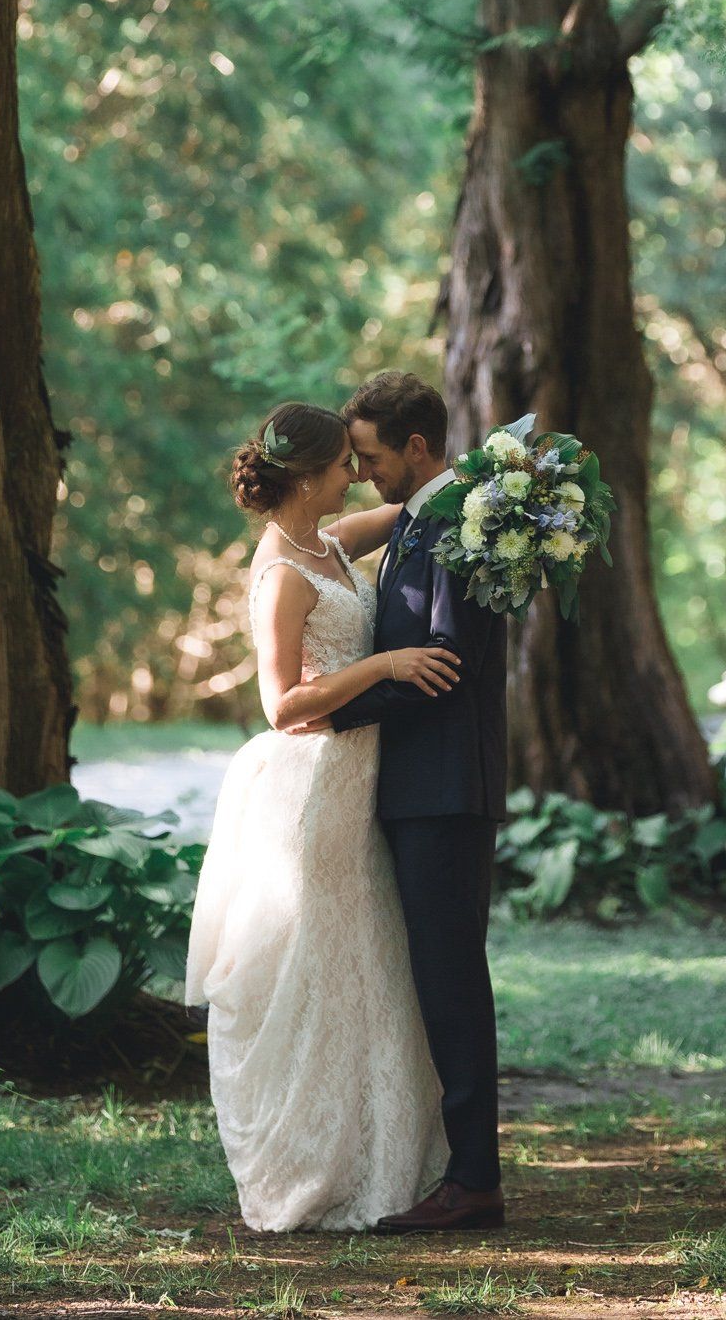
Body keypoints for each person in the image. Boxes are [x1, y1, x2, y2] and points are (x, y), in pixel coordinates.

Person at [185, 401, 456, 1231]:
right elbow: (280, 703)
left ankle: (376, 1159)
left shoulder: (330, 542)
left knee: (365, 968)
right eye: (345, 462)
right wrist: (380, 662)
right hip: (309, 787)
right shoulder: (282, 573)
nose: (357, 474)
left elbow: (412, 504)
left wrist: (489, 483)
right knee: (312, 971)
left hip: (355, 785)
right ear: (308, 476)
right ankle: (303, 1163)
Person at [325, 370, 507, 1234]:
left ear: (417, 448)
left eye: (369, 456)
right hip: (418, 786)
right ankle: (459, 1169)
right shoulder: (429, 517)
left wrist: (332, 709)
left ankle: (473, 1182)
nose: (363, 472)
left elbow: (440, 666)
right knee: (434, 977)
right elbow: (325, 540)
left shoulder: (456, 532)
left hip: (443, 788)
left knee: (450, 981)